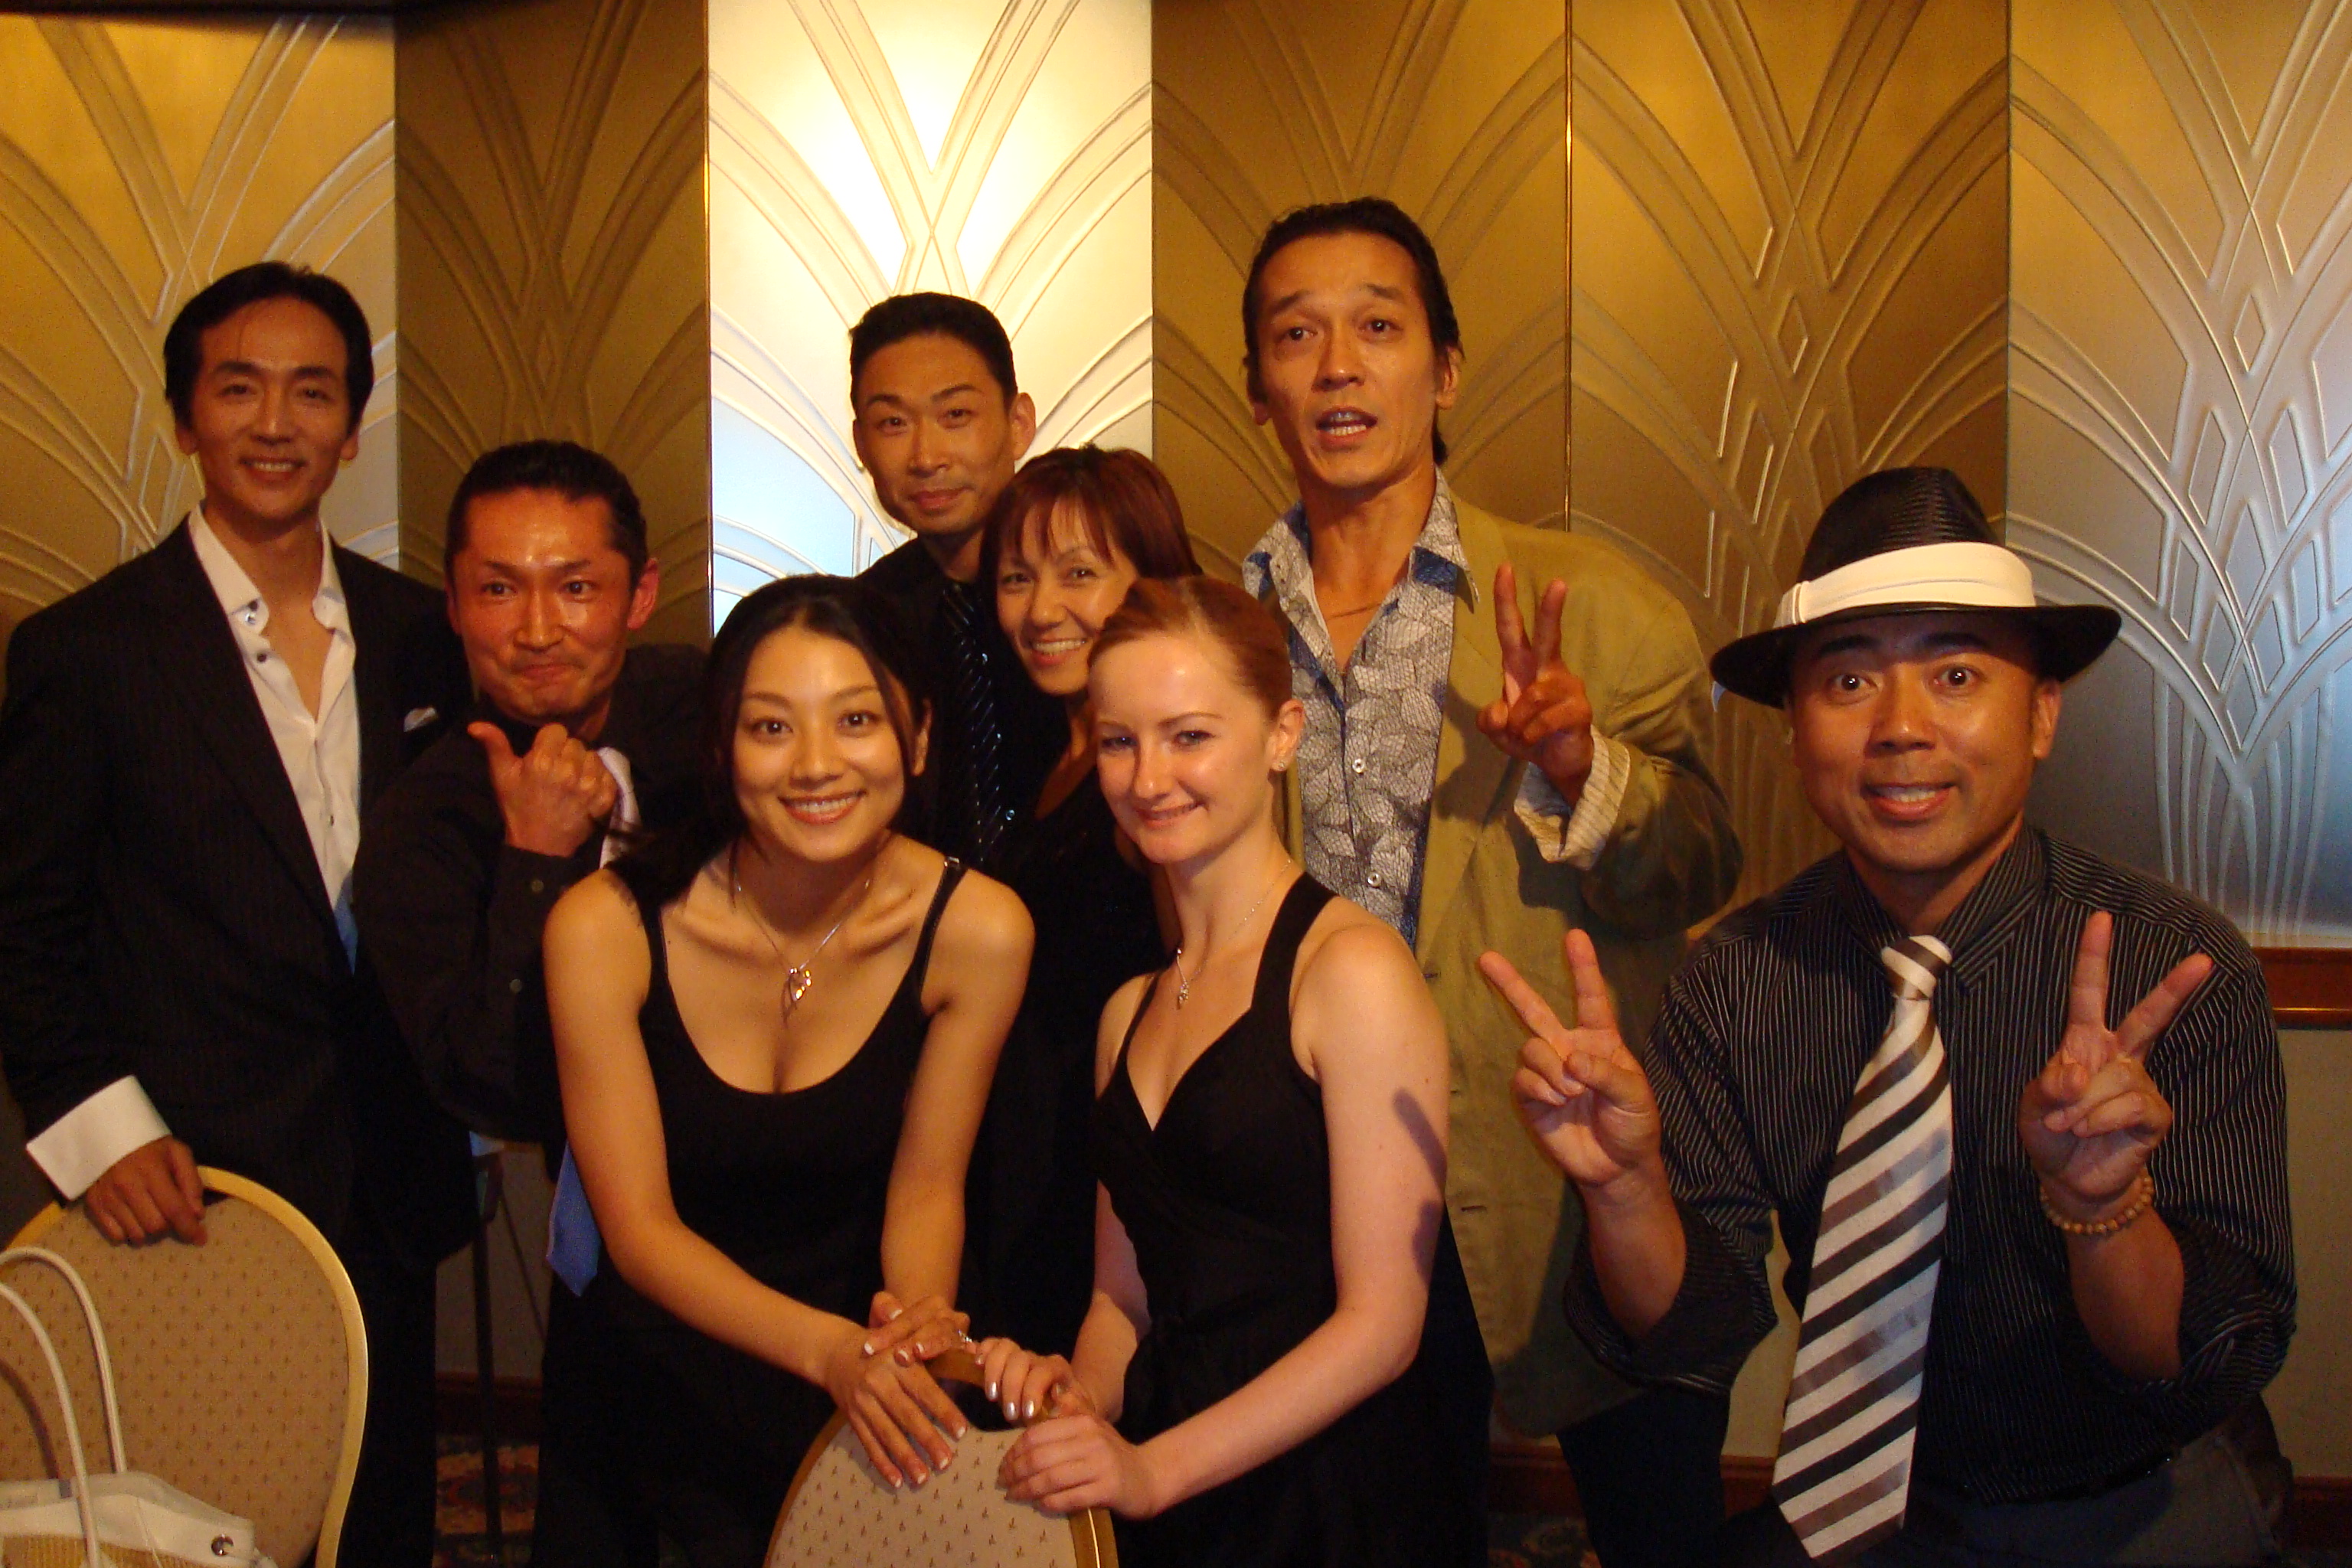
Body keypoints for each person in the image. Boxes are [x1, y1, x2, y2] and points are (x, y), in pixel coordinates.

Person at [1487, 468, 2298, 1566]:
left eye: (1956, 675)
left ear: (2042, 712)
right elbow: (1693, 1331)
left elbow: (2202, 1357)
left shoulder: (2177, 963)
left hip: (2148, 1501)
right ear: (1793, 730)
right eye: (1850, 680)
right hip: (1869, 1509)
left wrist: (2106, 1204)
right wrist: (1626, 1190)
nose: (1902, 728)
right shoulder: (1740, 977)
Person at [1234, 196, 1744, 1559]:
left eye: (1377, 326)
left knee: (1655, 1521)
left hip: (1561, 1160)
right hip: (1328, 1179)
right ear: (1260, 388)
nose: (1339, 365)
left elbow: (1704, 858)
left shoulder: (1590, 603)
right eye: (1298, 335)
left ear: (1444, 370)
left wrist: (1582, 766)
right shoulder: (1222, 632)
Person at [0, 262, 474, 1564]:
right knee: (201, 1517)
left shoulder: (426, 633)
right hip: (186, 1174)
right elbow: (25, 926)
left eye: (312, 393)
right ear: (184, 418)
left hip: (389, 1161)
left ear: (351, 429)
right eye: (240, 389)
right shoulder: (85, 652)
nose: (276, 423)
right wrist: (102, 1131)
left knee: (378, 1507)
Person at [979, 576, 1483, 1567]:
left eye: (1190, 736)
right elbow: (1121, 1302)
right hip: (1174, 1496)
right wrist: (1077, 1398)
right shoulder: (1126, 1012)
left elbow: (1384, 1326)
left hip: (1331, 1501)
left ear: (1283, 735)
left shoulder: (1352, 973)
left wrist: (1153, 1471)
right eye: (1119, 741)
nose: (1149, 776)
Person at [543, 575, 1033, 1568]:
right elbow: (639, 1230)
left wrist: (910, 1334)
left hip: (854, 1400)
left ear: (918, 736)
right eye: (771, 727)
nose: (815, 764)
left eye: (856, 720)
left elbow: (927, 1190)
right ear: (721, 747)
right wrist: (828, 1350)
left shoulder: (977, 929)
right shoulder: (605, 926)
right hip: (655, 1381)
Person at [354, 439, 701, 1568]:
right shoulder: (424, 820)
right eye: (500, 590)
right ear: (456, 606)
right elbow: (488, 1081)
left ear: (638, 594)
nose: (539, 629)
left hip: (806, 1196)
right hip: (613, 1248)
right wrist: (539, 859)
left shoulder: (714, 713)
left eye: (577, 587)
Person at [969, 446, 1197, 1354]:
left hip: (1101, 1171)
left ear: (1153, 581)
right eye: (1016, 578)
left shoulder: (1152, 773)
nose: (1040, 609)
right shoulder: (1059, 748)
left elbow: (1194, 976)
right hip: (1030, 1148)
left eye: (1078, 573)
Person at [852, 292, 1066, 869]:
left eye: (955, 416)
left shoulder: (1098, 595)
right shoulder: (861, 621)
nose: (926, 457)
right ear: (861, 443)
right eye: (893, 423)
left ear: (1019, 424)